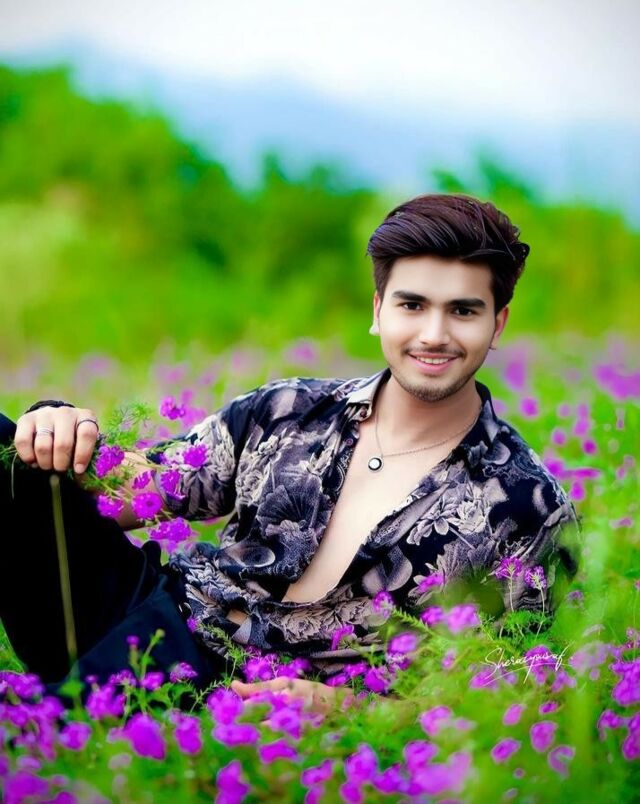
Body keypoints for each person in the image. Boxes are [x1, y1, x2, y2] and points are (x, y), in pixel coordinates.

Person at [0, 194, 579, 712]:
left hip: (247, 705)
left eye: (463, 311)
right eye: (412, 305)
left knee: (30, 741)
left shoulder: (527, 505)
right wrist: (62, 431)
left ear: (497, 324)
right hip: (156, 608)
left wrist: (350, 709)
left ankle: (50, 715)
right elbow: (144, 490)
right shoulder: (289, 408)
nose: (433, 334)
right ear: (378, 311)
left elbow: (523, 685)